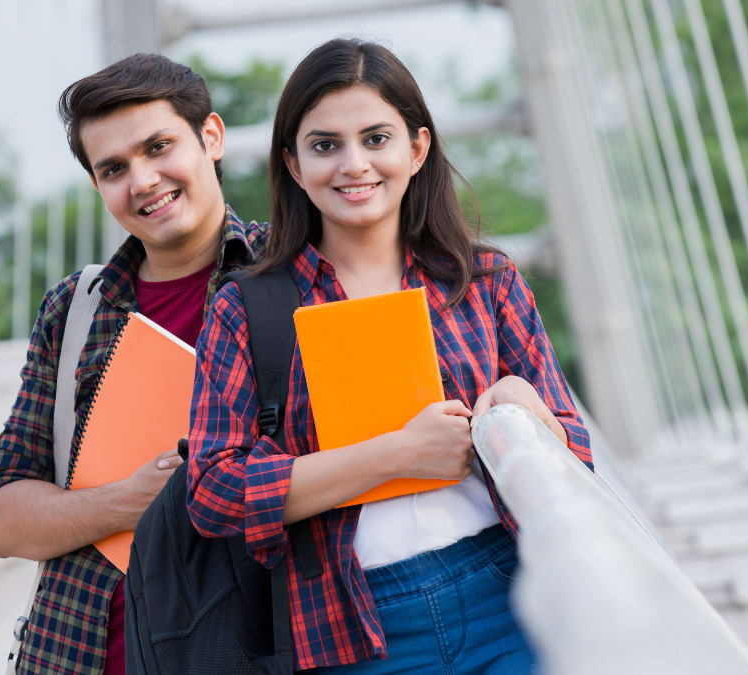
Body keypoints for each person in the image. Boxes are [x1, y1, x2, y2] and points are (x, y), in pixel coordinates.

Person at [186, 39, 593, 673]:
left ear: (417, 148)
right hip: (351, 623)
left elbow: (576, 450)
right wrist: (394, 456)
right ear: (293, 164)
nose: (354, 165)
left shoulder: (485, 282)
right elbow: (214, 490)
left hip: (509, 592)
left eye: (376, 138)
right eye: (325, 145)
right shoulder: (246, 309)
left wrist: (528, 411)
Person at [0, 53, 268, 674]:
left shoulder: (294, 276)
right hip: (78, 655)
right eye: (114, 168)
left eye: (159, 146)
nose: (142, 180)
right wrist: (126, 502)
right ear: (98, 185)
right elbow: (4, 520)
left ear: (211, 137)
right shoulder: (75, 308)